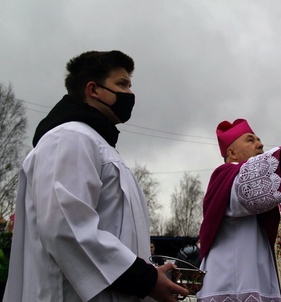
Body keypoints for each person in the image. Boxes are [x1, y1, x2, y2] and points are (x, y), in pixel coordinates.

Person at [3, 51, 188, 302]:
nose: (130, 94)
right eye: (121, 84)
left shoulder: (98, 144)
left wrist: (150, 273)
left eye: (130, 85)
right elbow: (66, 228)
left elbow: (113, 230)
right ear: (93, 89)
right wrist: (146, 280)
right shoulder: (69, 137)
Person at [198, 118, 281, 302]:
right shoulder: (225, 178)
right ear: (231, 152)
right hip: (238, 286)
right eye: (250, 140)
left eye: (258, 139)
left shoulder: (263, 196)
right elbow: (260, 173)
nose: (260, 144)